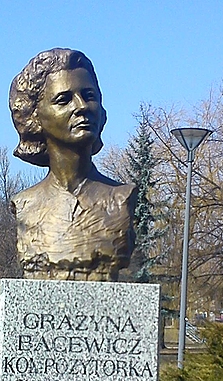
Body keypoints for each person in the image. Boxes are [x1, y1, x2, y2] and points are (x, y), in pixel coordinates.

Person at [9, 48, 137, 281]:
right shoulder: (26, 204)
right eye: (64, 100)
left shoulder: (121, 199)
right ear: (34, 118)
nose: (81, 107)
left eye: (89, 96)